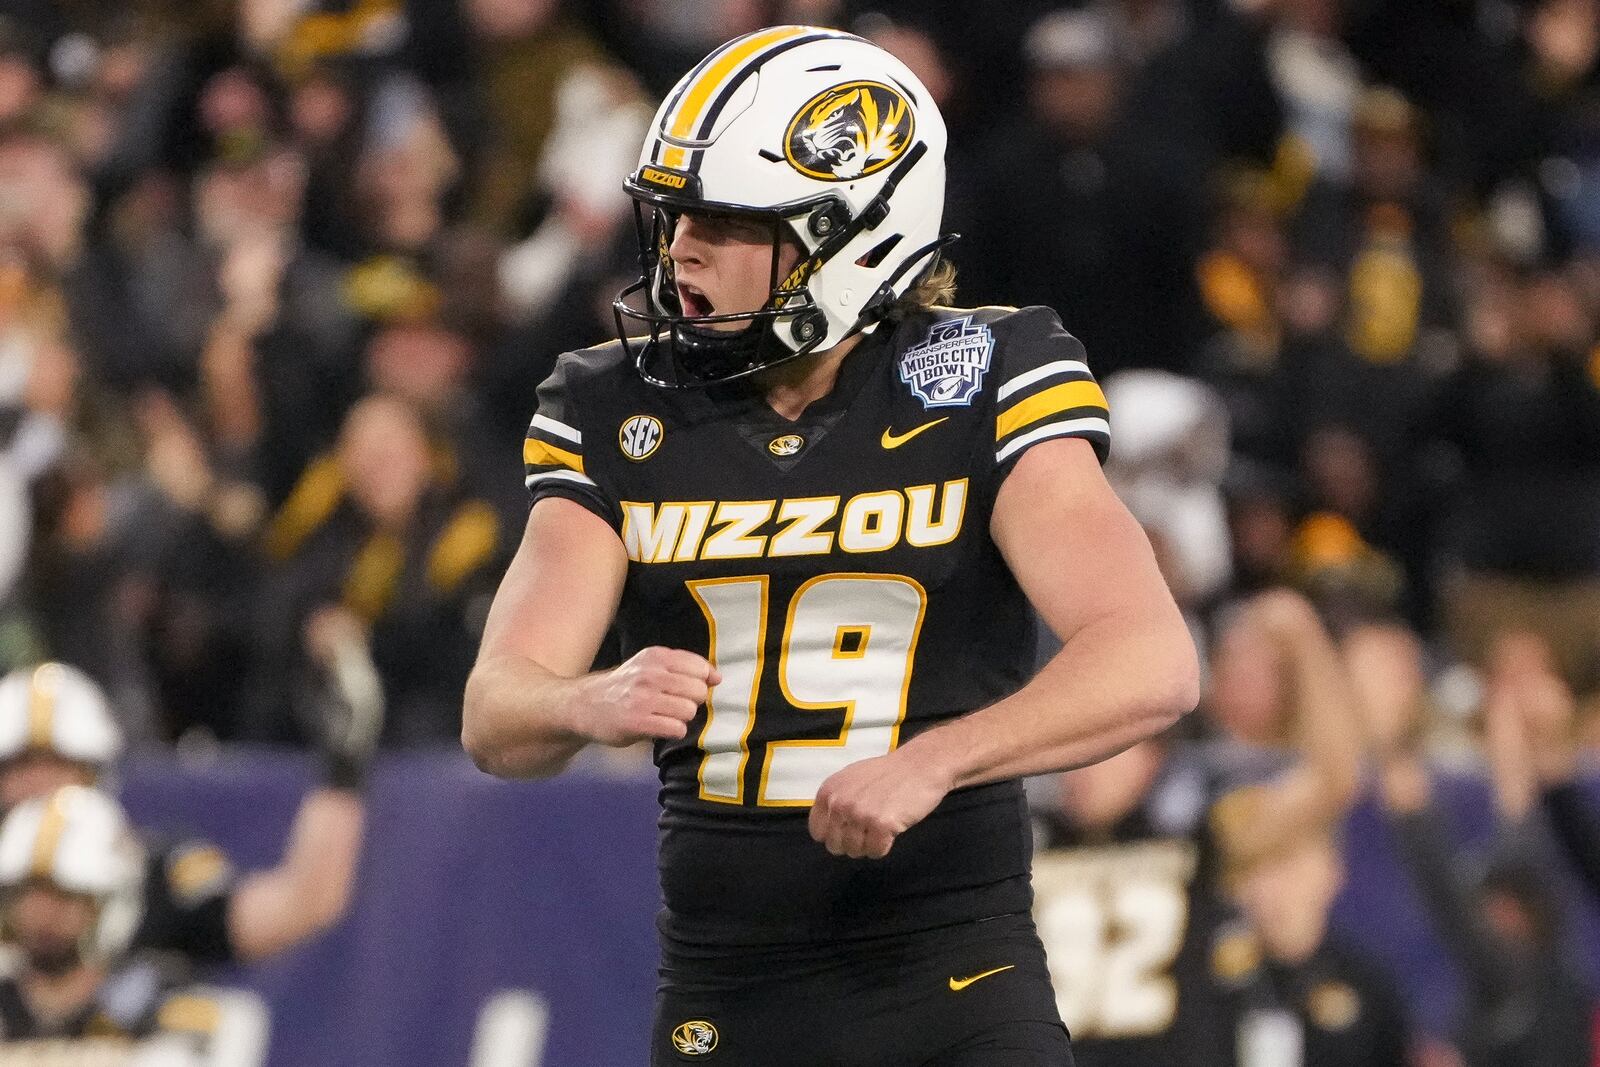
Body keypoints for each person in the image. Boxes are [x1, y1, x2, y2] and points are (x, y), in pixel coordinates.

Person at [463, 25, 1199, 1067]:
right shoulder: (614, 406)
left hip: (954, 975)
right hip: (726, 989)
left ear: (847, 236)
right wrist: (583, 699)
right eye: (675, 219)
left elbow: (1151, 659)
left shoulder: (984, 374)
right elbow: (495, 711)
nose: (680, 252)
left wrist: (937, 758)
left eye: (723, 223)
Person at [1031, 587, 1364, 1067]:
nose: (1082, 765)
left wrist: (1306, 645)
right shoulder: (1031, 832)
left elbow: (1332, 779)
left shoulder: (1195, 826)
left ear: (1151, 749)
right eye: (1073, 744)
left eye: (1103, 747)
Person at [0, 660, 374, 967]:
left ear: (98, 771)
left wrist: (344, 769)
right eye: (19, 767)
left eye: (55, 764)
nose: (38, 783)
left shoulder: (157, 872)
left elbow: (300, 906)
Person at [0, 785, 241, 1059]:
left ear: (110, 906)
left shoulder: (164, 1007)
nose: (42, 915)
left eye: (63, 898)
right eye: (27, 896)